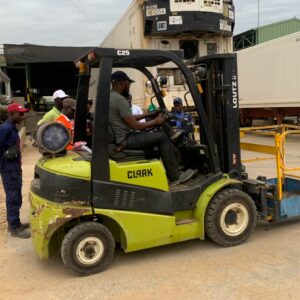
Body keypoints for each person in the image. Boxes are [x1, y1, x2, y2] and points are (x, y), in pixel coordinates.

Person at [109, 71, 195, 184]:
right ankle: (175, 176)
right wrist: (156, 121)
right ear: (121, 83)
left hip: (120, 137)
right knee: (162, 137)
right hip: (125, 139)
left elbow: (130, 118)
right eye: (128, 84)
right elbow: (135, 125)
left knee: (154, 137)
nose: (129, 86)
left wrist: (150, 114)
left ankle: (162, 167)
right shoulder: (120, 100)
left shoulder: (111, 97)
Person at [0, 103, 30, 238]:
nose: (22, 116)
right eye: (20, 114)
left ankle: (16, 223)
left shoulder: (11, 128)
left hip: (14, 168)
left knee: (16, 196)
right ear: (11, 114)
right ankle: (14, 227)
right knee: (13, 198)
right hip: (9, 170)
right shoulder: (5, 129)